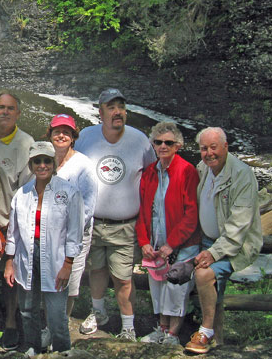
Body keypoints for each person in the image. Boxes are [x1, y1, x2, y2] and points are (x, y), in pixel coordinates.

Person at [75, 88, 156, 340]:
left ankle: (128, 326)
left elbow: (153, 177)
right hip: (93, 222)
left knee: (123, 278)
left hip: (125, 225)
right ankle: (99, 313)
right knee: (96, 270)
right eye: (111, 107)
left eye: (121, 106)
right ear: (100, 113)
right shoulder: (86, 138)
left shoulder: (140, 140)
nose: (117, 111)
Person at [185, 127, 262, 354]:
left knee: (204, 274)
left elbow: (238, 227)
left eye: (213, 147)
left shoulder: (242, 175)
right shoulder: (203, 169)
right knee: (211, 291)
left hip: (236, 246)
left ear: (226, 146)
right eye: (204, 148)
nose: (209, 153)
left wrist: (213, 253)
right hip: (207, 240)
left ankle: (205, 333)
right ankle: (217, 343)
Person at [4, 141, 83, 354]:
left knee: (57, 314)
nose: (42, 165)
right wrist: (9, 262)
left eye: (46, 160)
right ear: (30, 165)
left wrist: (68, 264)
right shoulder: (22, 194)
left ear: (54, 162)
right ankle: (32, 347)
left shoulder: (69, 192)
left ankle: (63, 351)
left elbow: (75, 233)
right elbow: (14, 231)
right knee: (28, 309)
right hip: (26, 255)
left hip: (57, 258)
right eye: (37, 161)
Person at [135, 122, 200, 346]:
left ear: (178, 145)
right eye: (158, 142)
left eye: (168, 143)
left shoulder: (187, 171)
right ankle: (161, 329)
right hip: (156, 243)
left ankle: (173, 334)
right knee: (159, 287)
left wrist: (172, 243)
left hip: (182, 244)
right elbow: (143, 210)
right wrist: (144, 241)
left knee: (176, 287)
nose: (163, 146)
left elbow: (192, 213)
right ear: (153, 144)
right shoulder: (150, 173)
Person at [0, 93, 34, 349]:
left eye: (10, 108)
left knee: (9, 273)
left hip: (7, 220)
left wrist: (17, 223)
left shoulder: (25, 143)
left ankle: (11, 322)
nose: (5, 112)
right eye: (0, 107)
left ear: (18, 114)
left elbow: (27, 190)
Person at [45, 114, 98, 343]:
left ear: (74, 137)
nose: (61, 135)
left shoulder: (84, 166)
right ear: (50, 134)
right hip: (46, 233)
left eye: (67, 132)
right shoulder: (43, 159)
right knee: (47, 279)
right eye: (57, 131)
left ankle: (61, 324)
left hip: (73, 235)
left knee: (69, 281)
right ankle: (49, 325)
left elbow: (88, 205)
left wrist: (69, 232)